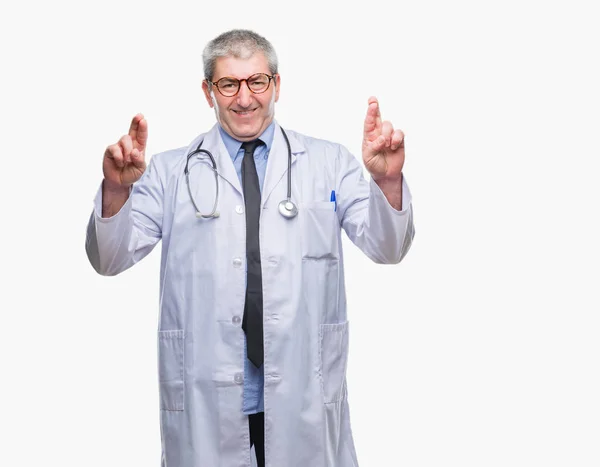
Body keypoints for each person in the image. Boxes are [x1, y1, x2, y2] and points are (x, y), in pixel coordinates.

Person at [85, 29, 415, 467]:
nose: (245, 98)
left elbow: (387, 248)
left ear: (276, 85)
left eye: (257, 82)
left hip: (303, 394)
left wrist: (387, 181)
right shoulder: (169, 172)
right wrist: (115, 190)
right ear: (208, 92)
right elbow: (109, 259)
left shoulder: (327, 163)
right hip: (207, 394)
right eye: (229, 84)